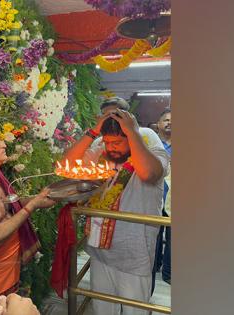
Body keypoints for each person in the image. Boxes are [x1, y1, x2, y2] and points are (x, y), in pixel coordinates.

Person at [63, 99, 169, 315]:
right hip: (100, 248)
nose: (110, 147)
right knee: (103, 308)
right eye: (107, 142)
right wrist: (93, 132)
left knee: (134, 311)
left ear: (131, 139)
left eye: (117, 143)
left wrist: (132, 133)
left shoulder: (151, 149)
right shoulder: (103, 149)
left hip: (134, 254)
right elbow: (67, 166)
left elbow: (150, 173)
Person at [0, 124, 55, 315]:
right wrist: (31, 207)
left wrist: (38, 200)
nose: (4, 145)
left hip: (5, 278)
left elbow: (7, 204)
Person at [157, 108, 171, 284]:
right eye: (166, 119)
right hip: (155, 196)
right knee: (154, 234)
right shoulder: (150, 144)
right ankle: (155, 265)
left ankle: (169, 273)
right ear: (158, 124)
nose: (170, 122)